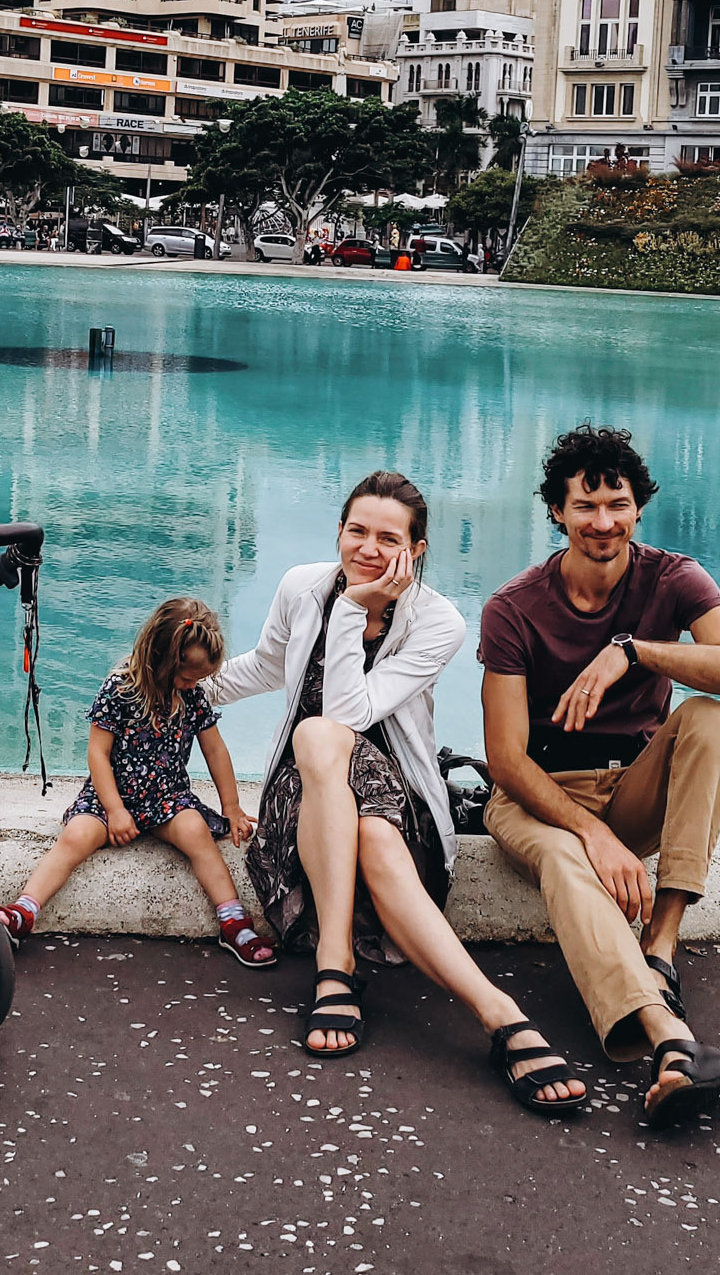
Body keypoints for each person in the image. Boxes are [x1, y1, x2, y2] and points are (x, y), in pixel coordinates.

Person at [211, 471, 591, 1114]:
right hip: (301, 808)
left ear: (415, 550)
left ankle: (348, 970)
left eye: (389, 537)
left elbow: (349, 712)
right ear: (338, 531)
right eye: (356, 530)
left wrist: (354, 611)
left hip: (401, 803)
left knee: (330, 750)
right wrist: (172, 688)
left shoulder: (438, 621)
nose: (367, 547)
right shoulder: (301, 587)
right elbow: (268, 665)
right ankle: (504, 1019)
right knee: (317, 747)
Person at [478, 424, 720, 1129]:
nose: (602, 522)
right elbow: (506, 760)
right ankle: (668, 1037)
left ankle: (662, 943)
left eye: (617, 503)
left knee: (711, 719)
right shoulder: (513, 608)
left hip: (632, 781)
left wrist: (636, 652)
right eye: (584, 506)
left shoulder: (673, 578)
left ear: (639, 506)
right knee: (563, 854)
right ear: (557, 512)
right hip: (538, 798)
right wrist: (592, 835)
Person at [0, 599, 274, 968]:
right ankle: (23, 911)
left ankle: (234, 922)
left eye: (198, 679)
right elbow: (98, 753)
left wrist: (232, 806)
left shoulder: (191, 694)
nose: (193, 685)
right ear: (157, 656)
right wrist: (114, 809)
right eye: (187, 677)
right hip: (110, 795)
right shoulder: (120, 687)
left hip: (166, 798)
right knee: (76, 836)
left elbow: (215, 749)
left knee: (196, 833)